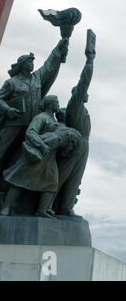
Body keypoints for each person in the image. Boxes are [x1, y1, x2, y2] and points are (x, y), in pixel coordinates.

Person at [0, 38, 69, 188]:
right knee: (2, 151)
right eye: (29, 62)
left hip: (32, 124)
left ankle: (10, 184)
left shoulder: (36, 78)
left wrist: (59, 47)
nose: (32, 64)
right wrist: (8, 110)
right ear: (22, 65)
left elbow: (48, 65)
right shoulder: (11, 82)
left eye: (33, 62)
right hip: (14, 122)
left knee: (22, 154)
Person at [0, 96, 81, 218]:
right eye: (56, 102)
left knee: (52, 184)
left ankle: (41, 210)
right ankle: (5, 208)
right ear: (50, 104)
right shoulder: (41, 117)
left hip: (50, 156)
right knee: (20, 180)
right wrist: (41, 145)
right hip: (36, 154)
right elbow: (30, 132)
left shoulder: (56, 122)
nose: (58, 104)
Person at [54, 48, 95, 216]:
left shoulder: (84, 110)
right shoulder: (75, 106)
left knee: (75, 179)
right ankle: (47, 205)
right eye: (84, 93)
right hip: (75, 144)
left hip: (84, 145)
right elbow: (83, 82)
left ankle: (66, 207)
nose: (87, 95)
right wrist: (89, 62)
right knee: (62, 176)